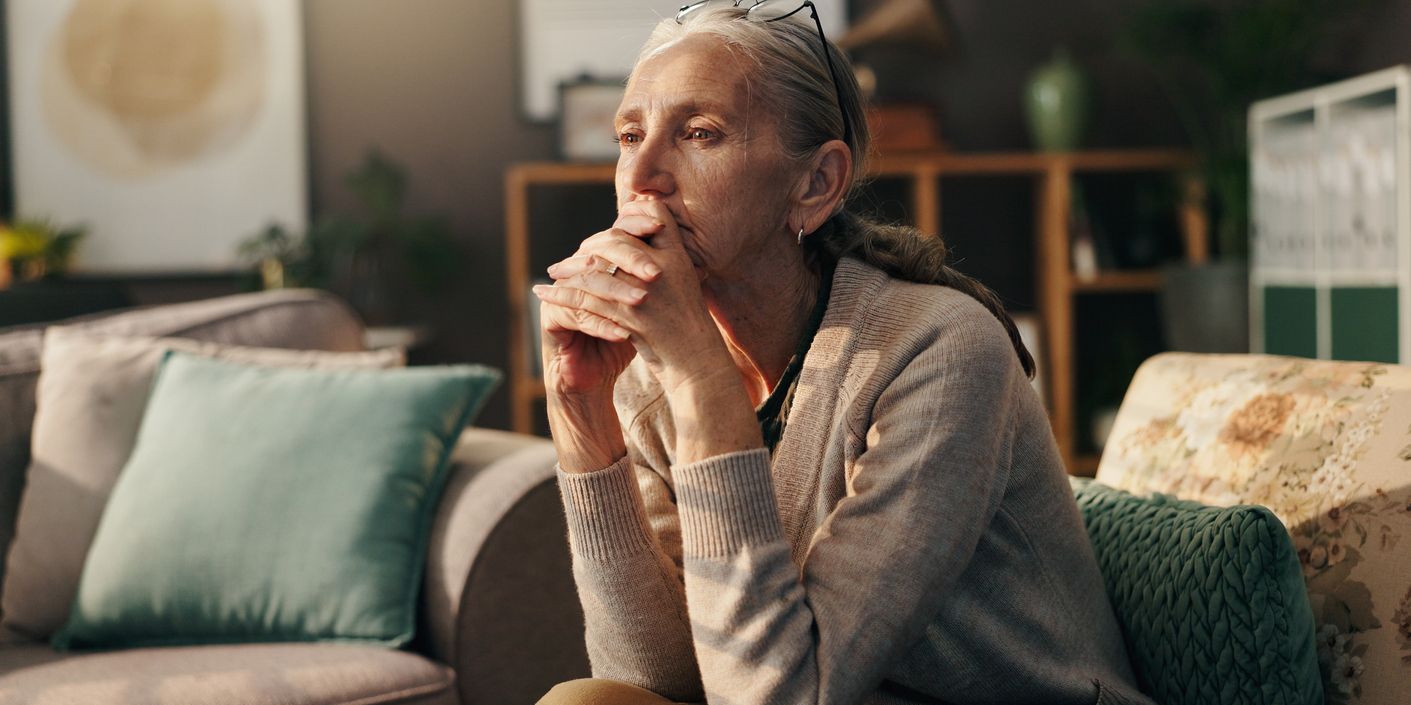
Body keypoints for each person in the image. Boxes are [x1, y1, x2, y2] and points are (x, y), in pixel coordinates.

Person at [533, 3, 1152, 704]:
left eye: (699, 133)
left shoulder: (938, 351)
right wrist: (587, 432)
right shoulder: (650, 380)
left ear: (816, 183)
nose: (641, 176)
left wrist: (702, 382)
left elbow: (786, 695)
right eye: (628, 135)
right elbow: (661, 683)